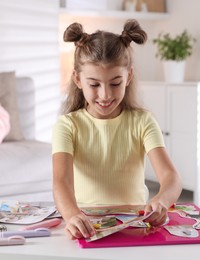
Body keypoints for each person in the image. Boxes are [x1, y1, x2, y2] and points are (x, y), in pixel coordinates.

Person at [52, 19, 182, 240]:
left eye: (115, 83)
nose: (105, 95)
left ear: (128, 77)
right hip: (86, 223)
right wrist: (72, 215)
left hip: (136, 222)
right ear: (78, 79)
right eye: (94, 84)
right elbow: (61, 181)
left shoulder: (143, 121)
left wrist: (161, 201)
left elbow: (171, 176)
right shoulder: (67, 125)